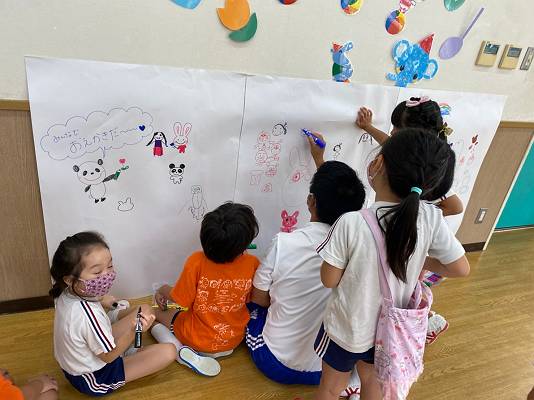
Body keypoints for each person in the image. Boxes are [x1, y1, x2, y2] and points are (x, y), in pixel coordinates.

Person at [314, 129, 470, 400]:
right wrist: (419, 260)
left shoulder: (351, 222)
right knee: (373, 384)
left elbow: (328, 280)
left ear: (378, 163)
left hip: (348, 329)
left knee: (330, 388)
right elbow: (461, 268)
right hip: (391, 330)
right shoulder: (430, 216)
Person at [247, 134, 366, 394]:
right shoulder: (359, 249)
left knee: (251, 308)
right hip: (325, 371)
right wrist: (318, 159)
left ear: (310, 201)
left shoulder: (284, 242)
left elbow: (259, 298)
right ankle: (353, 385)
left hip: (274, 362)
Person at [356, 97, 463, 344]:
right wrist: (368, 127)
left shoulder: (430, 168)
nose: (393, 132)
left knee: (405, 291)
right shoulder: (413, 155)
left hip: (414, 242)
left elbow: (455, 205)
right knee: (397, 288)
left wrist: (417, 214)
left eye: (398, 128)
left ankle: (422, 325)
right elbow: (392, 145)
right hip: (407, 241)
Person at [49, 232, 177, 397]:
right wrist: (133, 332)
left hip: (84, 359)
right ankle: (133, 346)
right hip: (95, 377)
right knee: (169, 351)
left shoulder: (67, 291)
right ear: (69, 279)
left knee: (145, 309)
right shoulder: (87, 316)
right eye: (97, 272)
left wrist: (103, 300)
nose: (107, 275)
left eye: (109, 266)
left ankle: (131, 345)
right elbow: (108, 357)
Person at [152, 202, 260, 374]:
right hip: (233, 341)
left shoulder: (196, 261)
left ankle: (179, 352)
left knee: (153, 314)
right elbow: (251, 298)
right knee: (177, 311)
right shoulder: (253, 263)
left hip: (197, 339)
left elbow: (180, 300)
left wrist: (162, 289)